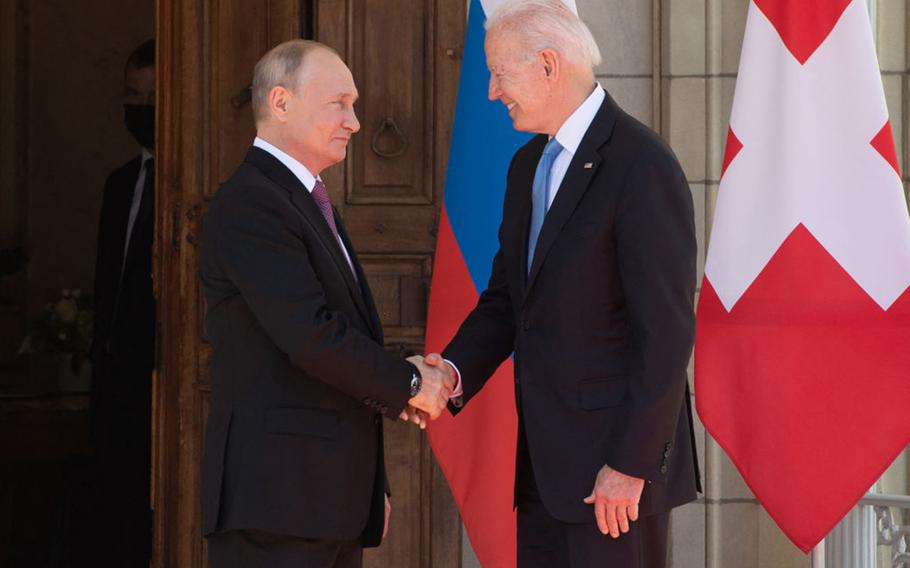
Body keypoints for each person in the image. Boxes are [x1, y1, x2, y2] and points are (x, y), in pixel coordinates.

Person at [425, 1, 701, 566]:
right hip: (545, 476)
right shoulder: (528, 165)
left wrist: (629, 466)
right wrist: (450, 374)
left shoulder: (641, 165)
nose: (492, 91)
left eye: (500, 73)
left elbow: (666, 336)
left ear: (548, 65)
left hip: (614, 481)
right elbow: (508, 301)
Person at [198, 39, 453, 568]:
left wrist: (369, 488)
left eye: (354, 105)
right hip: (277, 503)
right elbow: (309, 336)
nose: (355, 121)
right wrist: (410, 382)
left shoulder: (306, 199)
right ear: (282, 102)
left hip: (326, 504)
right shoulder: (253, 203)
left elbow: (346, 340)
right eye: (339, 103)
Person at [89, 37, 156, 566]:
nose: (138, 108)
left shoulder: (192, 189)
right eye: (132, 95)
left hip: (163, 381)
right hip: (116, 383)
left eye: (150, 98)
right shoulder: (120, 185)